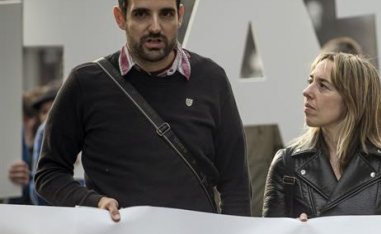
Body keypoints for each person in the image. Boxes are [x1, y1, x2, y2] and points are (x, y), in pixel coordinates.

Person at [35, 0, 251, 221]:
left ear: (180, 16)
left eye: (166, 14)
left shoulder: (211, 79)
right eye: (141, 15)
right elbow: (48, 174)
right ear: (120, 18)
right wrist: (94, 202)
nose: (155, 27)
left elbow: (235, 182)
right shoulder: (85, 84)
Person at [262, 52, 381, 219]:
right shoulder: (287, 163)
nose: (307, 91)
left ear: (353, 99)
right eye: (310, 81)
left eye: (323, 85)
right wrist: (296, 231)